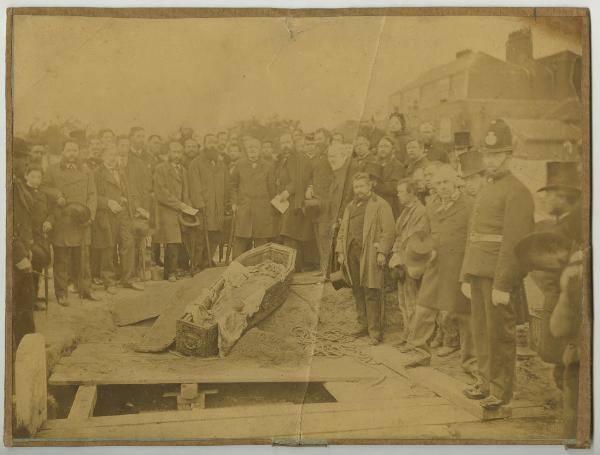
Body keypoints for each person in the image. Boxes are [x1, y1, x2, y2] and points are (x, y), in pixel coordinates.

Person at [460, 119, 534, 410]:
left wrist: (503, 283)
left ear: (509, 156)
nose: (490, 161)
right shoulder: (486, 188)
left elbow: (515, 242)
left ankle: (501, 391)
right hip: (478, 272)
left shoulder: (517, 191)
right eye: (488, 155)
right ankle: (484, 381)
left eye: (496, 155)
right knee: (481, 331)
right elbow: (473, 233)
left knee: (500, 335)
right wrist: (466, 273)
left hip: (497, 277)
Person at [402, 164, 476, 373]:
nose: (442, 187)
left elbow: (473, 240)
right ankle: (421, 354)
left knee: (465, 315)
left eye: (446, 182)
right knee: (424, 308)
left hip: (459, 267)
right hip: (436, 266)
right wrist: (423, 252)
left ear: (455, 183)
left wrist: (469, 271)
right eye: (438, 183)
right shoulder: (432, 205)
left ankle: (470, 362)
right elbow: (424, 234)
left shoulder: (470, 205)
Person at [335, 172, 395, 345]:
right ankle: (363, 325)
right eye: (356, 187)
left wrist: (382, 252)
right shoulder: (350, 207)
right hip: (351, 254)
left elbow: (389, 231)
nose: (358, 190)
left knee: (371, 290)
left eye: (362, 186)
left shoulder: (380, 205)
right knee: (357, 289)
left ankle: (375, 332)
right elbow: (342, 231)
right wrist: (340, 251)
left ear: (370, 186)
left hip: (370, 254)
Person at [43, 140, 99, 305]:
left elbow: (92, 194)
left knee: (83, 258)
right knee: (61, 259)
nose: (72, 154)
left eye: (75, 150)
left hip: (82, 221)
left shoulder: (87, 172)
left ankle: (85, 289)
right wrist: (56, 195)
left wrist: (90, 215)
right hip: (62, 220)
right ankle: (62, 293)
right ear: (63, 151)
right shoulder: (52, 170)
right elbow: (44, 187)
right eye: (69, 150)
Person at [92, 145, 144, 293]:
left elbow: (125, 191)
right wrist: (108, 202)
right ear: (103, 157)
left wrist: (129, 203)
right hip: (106, 215)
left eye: (115, 155)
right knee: (108, 247)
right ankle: (109, 282)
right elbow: (92, 195)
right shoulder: (96, 173)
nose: (113, 158)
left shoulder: (121, 172)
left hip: (124, 214)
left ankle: (128, 279)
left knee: (128, 244)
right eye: (110, 155)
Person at [388, 178, 428, 344]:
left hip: (412, 262)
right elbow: (398, 235)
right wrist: (395, 253)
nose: (398, 195)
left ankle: (415, 338)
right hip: (401, 262)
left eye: (401, 192)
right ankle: (407, 334)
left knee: (413, 301)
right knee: (403, 301)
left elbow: (415, 237)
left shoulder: (421, 212)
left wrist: (400, 256)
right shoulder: (405, 211)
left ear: (412, 193)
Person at [230, 137, 278, 257]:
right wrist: (234, 202)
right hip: (244, 208)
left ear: (260, 149)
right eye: (249, 147)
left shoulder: (268, 166)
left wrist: (274, 207)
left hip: (262, 209)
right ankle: (237, 269)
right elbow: (232, 185)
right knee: (241, 241)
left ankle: (261, 269)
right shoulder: (239, 165)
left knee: (261, 242)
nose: (252, 150)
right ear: (246, 150)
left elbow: (272, 189)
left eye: (255, 147)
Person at [187, 134, 230, 268]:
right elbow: (194, 186)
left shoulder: (221, 164)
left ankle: (207, 261)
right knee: (200, 237)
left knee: (215, 236)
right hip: (203, 207)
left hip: (218, 208)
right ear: (204, 144)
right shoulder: (196, 163)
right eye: (210, 142)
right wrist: (200, 204)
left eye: (215, 142)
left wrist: (226, 204)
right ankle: (196, 264)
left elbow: (226, 186)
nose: (213, 145)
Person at [153, 141, 194, 281]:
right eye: (174, 152)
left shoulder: (183, 170)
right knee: (172, 241)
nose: (177, 155)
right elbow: (162, 193)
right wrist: (180, 205)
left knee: (182, 239)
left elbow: (187, 191)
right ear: (169, 153)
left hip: (181, 210)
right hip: (167, 210)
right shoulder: (161, 169)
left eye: (179, 152)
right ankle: (170, 272)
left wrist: (189, 208)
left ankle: (180, 269)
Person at [275, 132, 314, 271]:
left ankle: (293, 269)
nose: (285, 146)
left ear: (293, 143)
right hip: (284, 203)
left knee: (290, 236)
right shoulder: (282, 159)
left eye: (288, 142)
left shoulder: (299, 158)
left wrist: (287, 191)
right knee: (287, 236)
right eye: (282, 143)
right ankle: (293, 268)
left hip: (294, 202)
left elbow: (300, 179)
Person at [12, 138, 36, 351]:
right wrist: (19, 255)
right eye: (23, 159)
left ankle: (27, 349)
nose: (26, 164)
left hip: (21, 252)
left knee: (24, 306)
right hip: (12, 259)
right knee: (16, 307)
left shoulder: (17, 182)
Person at [125, 126, 155, 279]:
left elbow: (152, 180)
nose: (141, 139)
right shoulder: (126, 157)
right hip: (131, 203)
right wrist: (135, 205)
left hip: (146, 201)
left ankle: (144, 269)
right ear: (131, 138)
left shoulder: (149, 157)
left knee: (146, 236)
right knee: (131, 239)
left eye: (143, 136)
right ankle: (132, 271)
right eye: (138, 136)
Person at [24, 165, 53, 307]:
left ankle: (34, 296)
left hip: (41, 237)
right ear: (26, 176)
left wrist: (49, 221)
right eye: (33, 176)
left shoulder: (43, 194)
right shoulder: (22, 193)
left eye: (39, 177)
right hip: (26, 236)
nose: (36, 180)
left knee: (40, 262)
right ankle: (27, 298)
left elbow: (52, 212)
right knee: (33, 261)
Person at [374, 136, 405, 217]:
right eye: (381, 146)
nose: (382, 149)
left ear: (393, 149)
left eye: (386, 146)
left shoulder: (398, 166)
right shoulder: (374, 165)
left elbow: (394, 187)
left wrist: (375, 185)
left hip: (390, 206)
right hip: (374, 205)